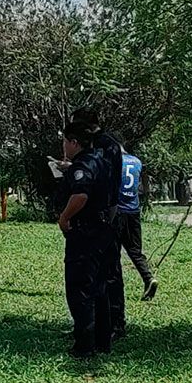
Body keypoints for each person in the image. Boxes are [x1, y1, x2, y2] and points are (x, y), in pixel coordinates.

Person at [58, 122, 112, 358]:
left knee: (79, 289)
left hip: (85, 232)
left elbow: (81, 195)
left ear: (74, 143)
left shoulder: (83, 165)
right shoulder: (102, 161)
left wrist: (64, 217)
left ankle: (84, 346)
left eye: (65, 142)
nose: (64, 146)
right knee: (100, 288)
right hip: (103, 231)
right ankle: (102, 341)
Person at [70, 108, 126, 339]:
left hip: (104, 213)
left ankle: (114, 323)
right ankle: (94, 324)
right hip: (103, 211)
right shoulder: (106, 144)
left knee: (108, 271)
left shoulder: (103, 145)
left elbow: (99, 178)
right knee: (94, 273)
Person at [116, 147, 157, 301]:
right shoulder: (137, 161)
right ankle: (148, 278)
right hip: (133, 210)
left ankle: (113, 287)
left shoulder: (113, 160)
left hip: (117, 211)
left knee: (112, 251)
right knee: (135, 250)